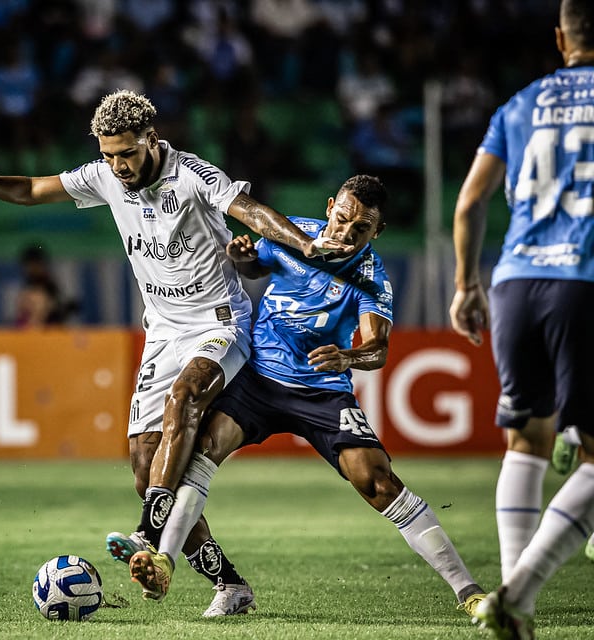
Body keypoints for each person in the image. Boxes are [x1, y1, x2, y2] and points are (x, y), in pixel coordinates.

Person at [0, 89, 337, 616]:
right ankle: (229, 586)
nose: (118, 165)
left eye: (128, 153)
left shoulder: (192, 175)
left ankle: (148, 532)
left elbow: (251, 212)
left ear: (152, 140)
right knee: (145, 466)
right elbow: (31, 188)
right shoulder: (103, 176)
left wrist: (306, 244)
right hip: (162, 332)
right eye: (109, 154)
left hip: (219, 323)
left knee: (184, 398)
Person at [118, 175, 486, 618]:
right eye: (343, 219)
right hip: (258, 378)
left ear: (377, 232)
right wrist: (243, 260)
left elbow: (378, 349)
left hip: (320, 392)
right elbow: (258, 266)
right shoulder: (294, 232)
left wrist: (349, 356)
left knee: (377, 482)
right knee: (202, 454)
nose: (345, 234)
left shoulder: (373, 279)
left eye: (361, 229)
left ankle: (468, 591)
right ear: (332, 206)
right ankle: (164, 562)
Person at [448, 2, 594, 638]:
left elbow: (471, 200)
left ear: (560, 38)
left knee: (527, 440)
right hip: (584, 281)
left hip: (514, 282)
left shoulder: (520, 103)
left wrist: (465, 284)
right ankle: (520, 587)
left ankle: (514, 609)